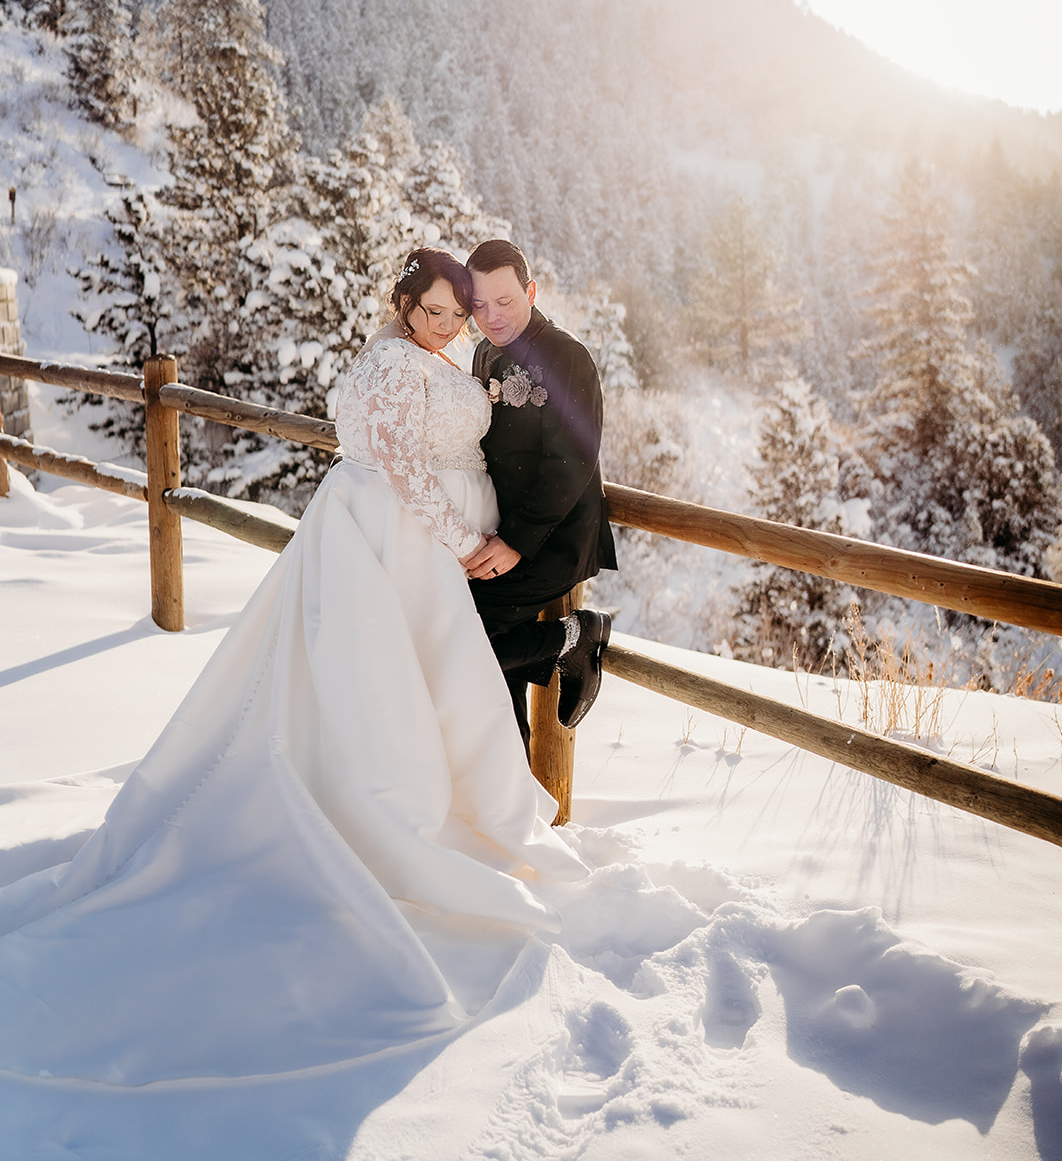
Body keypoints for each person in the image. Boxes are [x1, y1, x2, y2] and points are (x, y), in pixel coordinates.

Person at [0, 247, 585, 1086]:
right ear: (401, 305)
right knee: (385, 683)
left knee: (429, 679)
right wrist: (464, 539)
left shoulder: (434, 355)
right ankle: (395, 813)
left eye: (457, 314)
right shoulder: (392, 364)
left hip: (412, 546)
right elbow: (399, 463)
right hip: (400, 540)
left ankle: (457, 799)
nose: (447, 326)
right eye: (432, 312)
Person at [463, 240, 617, 753]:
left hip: (554, 536)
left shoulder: (569, 358)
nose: (492, 316)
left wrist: (514, 542)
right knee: (453, 615)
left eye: (505, 301)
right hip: (496, 527)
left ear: (531, 291)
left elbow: (571, 465)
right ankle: (507, 787)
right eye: (479, 304)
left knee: (469, 631)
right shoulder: (485, 351)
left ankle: (575, 638)